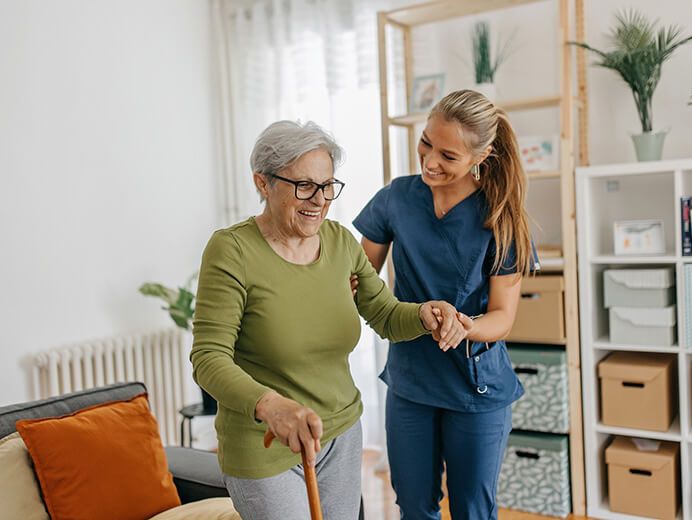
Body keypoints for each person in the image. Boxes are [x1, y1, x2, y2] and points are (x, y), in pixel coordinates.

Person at [190, 120, 468, 520]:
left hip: (340, 432)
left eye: (327, 186)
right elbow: (208, 357)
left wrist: (425, 314)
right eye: (304, 185)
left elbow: (385, 315)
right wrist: (270, 406)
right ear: (263, 183)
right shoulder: (232, 250)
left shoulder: (339, 242)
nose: (319, 200)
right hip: (264, 441)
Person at [352, 89, 539, 520]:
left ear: (481, 156)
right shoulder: (396, 199)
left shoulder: (502, 217)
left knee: (473, 511)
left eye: (448, 155)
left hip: (476, 387)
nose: (430, 161)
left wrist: (464, 326)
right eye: (426, 144)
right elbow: (359, 280)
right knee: (414, 508)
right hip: (411, 382)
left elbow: (502, 317)